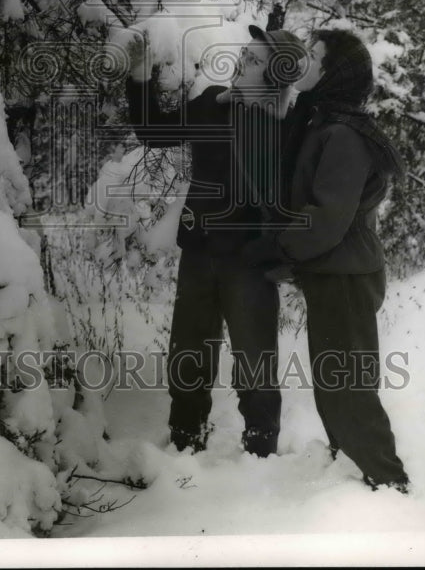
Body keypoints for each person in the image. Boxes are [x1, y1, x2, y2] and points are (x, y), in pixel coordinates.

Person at [126, 24, 306, 457]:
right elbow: (155, 132)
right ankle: (186, 441)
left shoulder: (289, 125)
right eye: (246, 52)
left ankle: (261, 453)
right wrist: (138, 76)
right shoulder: (211, 104)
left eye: (256, 59)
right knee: (188, 353)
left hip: (249, 260)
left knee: (255, 361)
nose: (243, 60)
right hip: (199, 250)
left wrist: (278, 245)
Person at [242, 28, 410, 492]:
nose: (305, 64)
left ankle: (390, 484)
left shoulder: (342, 135)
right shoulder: (322, 121)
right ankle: (353, 473)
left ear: (333, 73)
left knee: (348, 389)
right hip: (336, 274)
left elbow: (326, 219)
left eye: (314, 57)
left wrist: (276, 247)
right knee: (337, 384)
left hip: (346, 278)